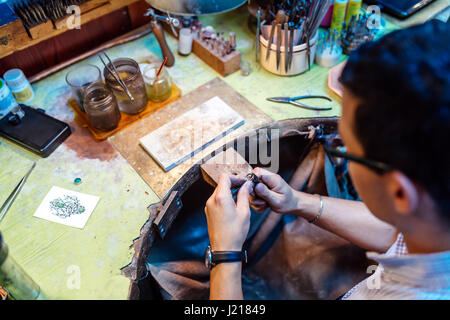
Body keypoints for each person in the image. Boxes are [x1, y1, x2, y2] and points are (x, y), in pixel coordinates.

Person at [204, 20, 450, 300]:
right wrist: (297, 201)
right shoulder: (433, 228)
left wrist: (224, 254)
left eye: (345, 148)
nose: (339, 150)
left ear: (399, 192)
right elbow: (400, 237)